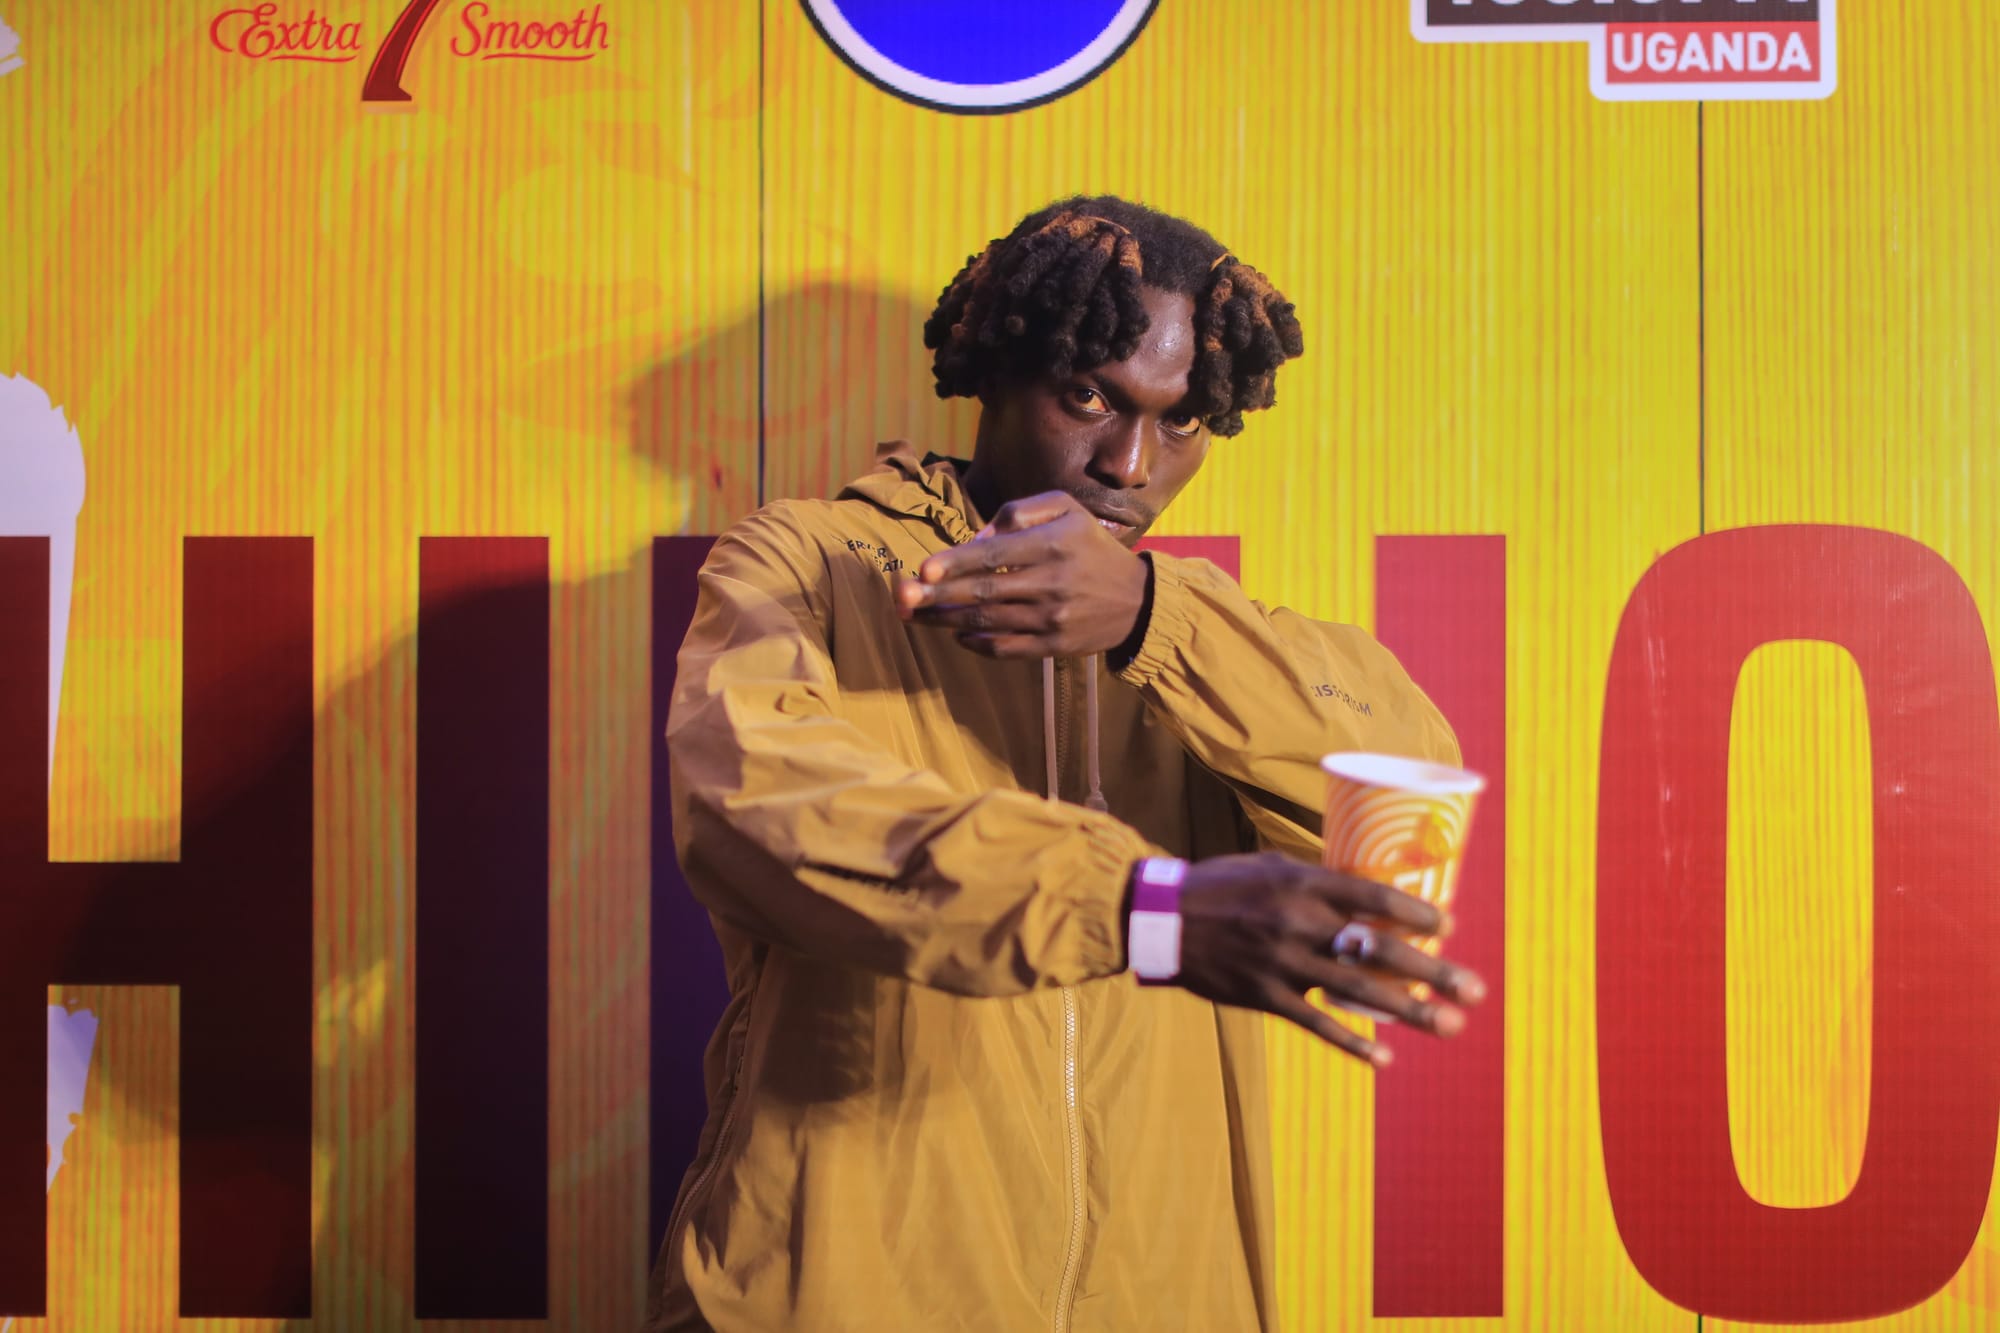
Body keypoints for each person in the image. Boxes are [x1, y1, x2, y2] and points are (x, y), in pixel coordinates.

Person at [645, 196, 1487, 1333]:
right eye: (1089, 396)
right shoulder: (811, 561)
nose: (1130, 463)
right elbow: (756, 812)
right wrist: (1142, 908)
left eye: (1180, 421)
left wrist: (1147, 619)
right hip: (845, 1295)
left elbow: (1411, 784)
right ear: (996, 373)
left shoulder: (1197, 640)